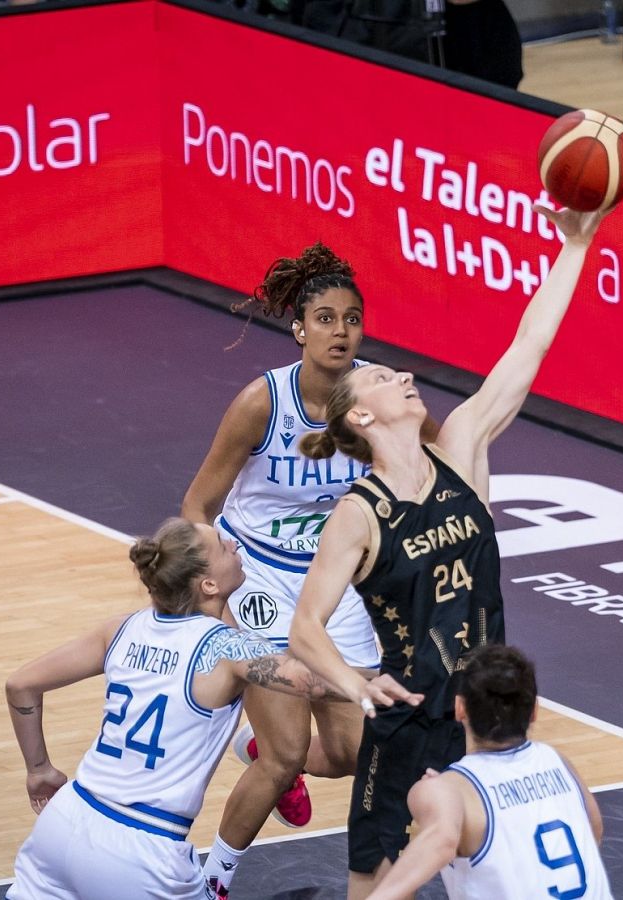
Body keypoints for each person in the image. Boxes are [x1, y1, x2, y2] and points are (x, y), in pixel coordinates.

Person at [287, 203, 610, 899]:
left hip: (485, 714)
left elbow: (530, 346)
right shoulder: (357, 514)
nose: (402, 376)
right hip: (406, 720)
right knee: (371, 888)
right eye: (381, 377)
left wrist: (577, 247)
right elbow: (304, 629)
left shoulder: (461, 449)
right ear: (360, 417)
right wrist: (353, 684)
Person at [4, 518, 420, 900]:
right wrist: (402, 681)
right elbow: (315, 683)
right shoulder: (227, 649)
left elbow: (20, 685)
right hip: (142, 848)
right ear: (207, 585)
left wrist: (39, 770)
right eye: (223, 546)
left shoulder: (120, 629)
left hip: (62, 823)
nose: (235, 544)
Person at [180, 244, 388, 899]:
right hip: (261, 582)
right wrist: (214, 596)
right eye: (324, 318)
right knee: (288, 754)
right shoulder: (261, 403)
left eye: (351, 319)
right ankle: (212, 880)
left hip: (335, 588)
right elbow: (199, 505)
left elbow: (437, 460)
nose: (340, 331)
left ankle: (250, 745)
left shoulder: (378, 396)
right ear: (300, 329)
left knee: (360, 752)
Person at [366, 645, 612, 900]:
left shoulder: (444, 790)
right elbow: (593, 829)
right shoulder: (557, 761)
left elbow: (442, 840)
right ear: (535, 711)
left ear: (460, 708)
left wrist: (445, 797)